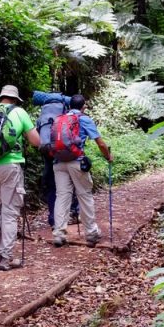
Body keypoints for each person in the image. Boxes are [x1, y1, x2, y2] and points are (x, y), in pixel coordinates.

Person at [0, 85, 40, 271]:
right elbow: (36, 141)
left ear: (1, 97)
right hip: (10, 166)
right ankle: (4, 258)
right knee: (10, 212)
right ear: (15, 99)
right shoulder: (19, 112)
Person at [51, 94, 112, 248]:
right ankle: (91, 233)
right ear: (83, 106)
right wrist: (108, 157)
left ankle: (59, 233)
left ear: (69, 105)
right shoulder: (84, 119)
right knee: (84, 195)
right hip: (76, 162)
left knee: (62, 197)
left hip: (58, 162)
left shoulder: (61, 119)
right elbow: (100, 143)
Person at [31, 89, 79, 227]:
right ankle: (74, 212)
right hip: (63, 151)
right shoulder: (65, 111)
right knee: (69, 181)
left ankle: (52, 218)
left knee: (51, 184)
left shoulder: (43, 115)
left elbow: (38, 135)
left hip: (47, 151)